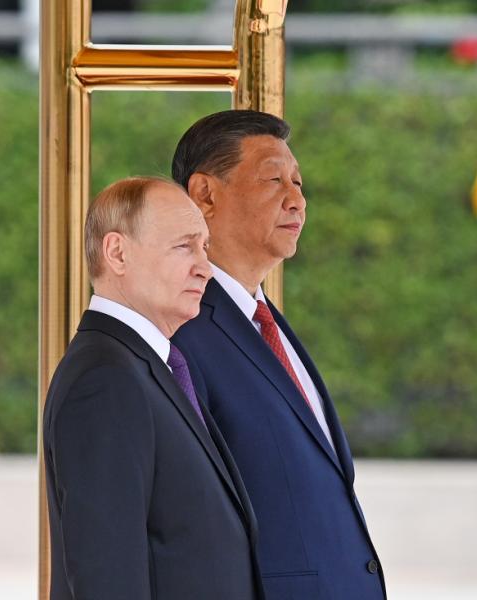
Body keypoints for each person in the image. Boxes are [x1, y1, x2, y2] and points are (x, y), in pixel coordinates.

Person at [171, 110, 386, 600]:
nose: (297, 200)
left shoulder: (266, 320)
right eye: (274, 180)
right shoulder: (178, 330)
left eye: (298, 182)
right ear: (205, 194)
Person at [42, 176, 262, 600]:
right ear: (117, 253)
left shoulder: (150, 368)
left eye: (204, 247)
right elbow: (107, 577)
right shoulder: (105, 381)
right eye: (184, 246)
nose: (205, 267)